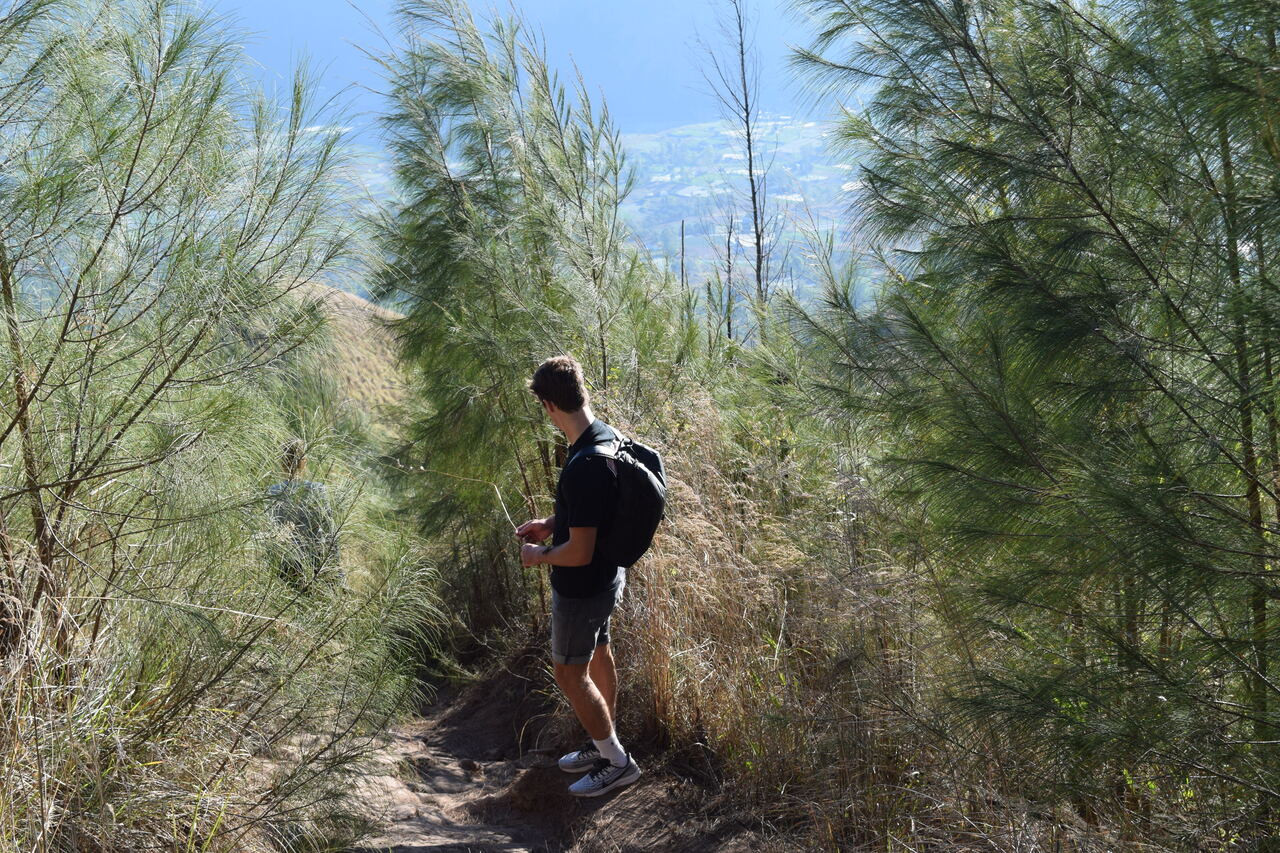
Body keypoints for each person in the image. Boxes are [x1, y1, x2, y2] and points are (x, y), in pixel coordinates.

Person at [517, 355, 642, 798]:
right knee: (599, 652)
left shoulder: (583, 464)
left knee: (571, 674)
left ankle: (615, 761)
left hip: (583, 585)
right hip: (609, 577)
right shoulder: (602, 436)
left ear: (549, 405)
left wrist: (539, 553)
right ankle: (603, 741)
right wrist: (552, 523)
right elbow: (591, 516)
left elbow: (579, 551)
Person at [266, 438, 341, 590]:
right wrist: (337, 571)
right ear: (304, 461)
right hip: (314, 565)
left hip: (283, 567)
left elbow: (270, 535)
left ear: (282, 461)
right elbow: (329, 533)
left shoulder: (272, 492)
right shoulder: (318, 490)